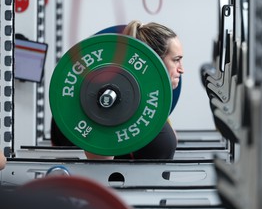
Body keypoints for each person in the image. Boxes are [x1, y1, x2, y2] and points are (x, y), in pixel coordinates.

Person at [51, 20, 184, 160]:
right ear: (155, 60)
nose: (181, 69)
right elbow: (101, 169)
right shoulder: (110, 105)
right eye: (176, 60)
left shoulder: (149, 107)